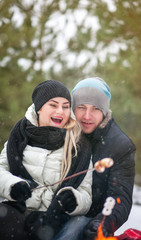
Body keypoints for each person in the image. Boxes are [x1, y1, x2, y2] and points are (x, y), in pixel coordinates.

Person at [0, 80, 92, 240]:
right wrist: (12, 185)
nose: (61, 111)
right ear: (39, 107)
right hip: (19, 212)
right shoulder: (18, 137)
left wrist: (74, 200)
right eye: (53, 105)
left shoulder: (78, 146)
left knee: (78, 226)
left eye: (65, 106)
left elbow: (85, 194)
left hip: (56, 218)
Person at [62, 76, 135, 240]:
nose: (87, 116)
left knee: (72, 229)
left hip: (88, 218)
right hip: (53, 210)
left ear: (104, 111)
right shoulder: (61, 132)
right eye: (81, 107)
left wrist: (101, 224)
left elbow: (119, 198)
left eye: (95, 108)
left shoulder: (120, 146)